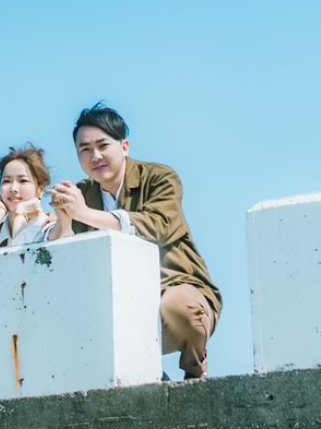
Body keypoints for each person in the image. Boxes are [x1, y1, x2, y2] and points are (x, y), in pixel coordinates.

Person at [48, 103, 221, 379]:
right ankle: (151, 379)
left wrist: (84, 213)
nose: (95, 156)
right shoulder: (82, 193)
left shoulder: (160, 178)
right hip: (117, 303)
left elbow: (159, 226)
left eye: (103, 145)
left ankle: (194, 374)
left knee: (181, 309)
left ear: (124, 146)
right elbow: (67, 253)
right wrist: (64, 217)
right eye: (85, 149)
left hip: (174, 287)